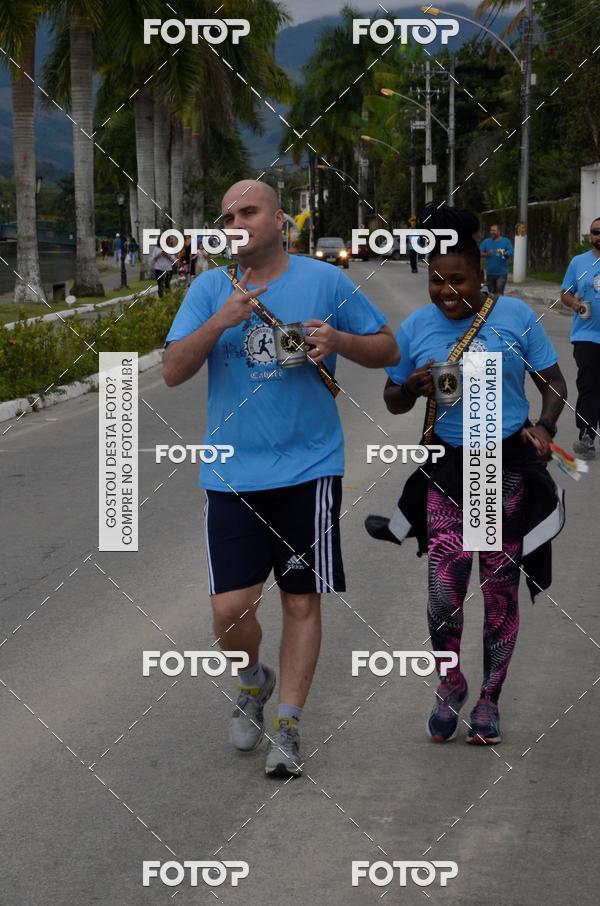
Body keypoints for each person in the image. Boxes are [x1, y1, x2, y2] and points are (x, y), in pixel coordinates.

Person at [162, 179, 399, 778]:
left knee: (300, 599)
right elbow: (171, 371)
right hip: (232, 473)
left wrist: (337, 340)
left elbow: (387, 348)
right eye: (226, 216)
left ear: (278, 220)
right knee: (229, 610)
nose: (236, 222)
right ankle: (252, 678)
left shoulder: (325, 280)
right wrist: (219, 321)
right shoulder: (210, 287)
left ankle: (289, 726)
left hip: (308, 468)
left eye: (249, 211)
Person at [366, 207, 567, 746]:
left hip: (504, 469)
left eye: (458, 280)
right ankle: (450, 682)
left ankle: (489, 701)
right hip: (449, 469)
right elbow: (391, 398)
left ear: (481, 276)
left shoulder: (515, 318)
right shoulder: (416, 327)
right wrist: (411, 388)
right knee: (443, 593)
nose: (446, 290)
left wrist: (545, 427)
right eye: (436, 280)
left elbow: (553, 382)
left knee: (498, 590)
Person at [560, 217, 600, 459]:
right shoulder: (579, 262)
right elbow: (565, 292)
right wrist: (574, 303)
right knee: (589, 385)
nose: (599, 236)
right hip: (587, 336)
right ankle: (586, 435)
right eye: (595, 232)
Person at [480, 224, 513, 295]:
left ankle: (500, 305)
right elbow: (478, 253)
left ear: (499, 231)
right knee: (491, 294)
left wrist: (504, 253)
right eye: (491, 230)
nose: (492, 232)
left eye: (494, 230)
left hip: (502, 273)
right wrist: (487, 254)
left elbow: (511, 251)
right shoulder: (486, 242)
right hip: (490, 273)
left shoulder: (505, 241)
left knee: (499, 292)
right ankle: (493, 306)